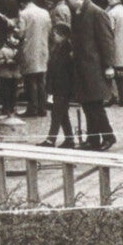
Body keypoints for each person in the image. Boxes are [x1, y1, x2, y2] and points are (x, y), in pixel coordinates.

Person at [63, 0, 118, 150]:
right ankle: (93, 139)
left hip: (95, 68)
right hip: (83, 68)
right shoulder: (78, 13)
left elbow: (107, 41)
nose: (66, 3)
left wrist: (109, 66)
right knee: (87, 104)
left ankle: (108, 136)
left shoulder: (97, 13)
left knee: (95, 105)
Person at [40, 14, 80, 149]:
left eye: (56, 34)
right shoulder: (58, 47)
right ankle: (70, 139)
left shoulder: (67, 49)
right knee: (62, 114)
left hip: (63, 86)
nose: (53, 37)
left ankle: (51, 140)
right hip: (57, 85)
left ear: (63, 35)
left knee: (57, 113)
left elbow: (67, 70)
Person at [18, 0, 51, 117]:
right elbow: (49, 29)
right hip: (42, 49)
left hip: (29, 50)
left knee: (30, 81)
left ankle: (32, 108)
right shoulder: (45, 12)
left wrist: (14, 28)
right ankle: (42, 108)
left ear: (22, 4)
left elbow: (20, 33)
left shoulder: (24, 14)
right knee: (41, 80)